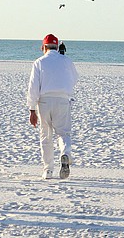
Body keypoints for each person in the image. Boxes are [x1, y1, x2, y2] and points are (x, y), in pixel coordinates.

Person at [27, 34, 79, 179]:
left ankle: (48, 170)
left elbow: (33, 87)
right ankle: (65, 152)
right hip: (62, 100)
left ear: (43, 47)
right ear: (57, 47)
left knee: (46, 136)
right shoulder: (66, 61)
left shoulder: (39, 62)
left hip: (44, 101)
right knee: (63, 133)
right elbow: (74, 78)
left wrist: (32, 109)